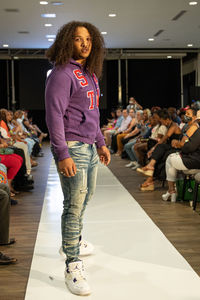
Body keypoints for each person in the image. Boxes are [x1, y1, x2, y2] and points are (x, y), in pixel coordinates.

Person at [45, 21, 110, 296]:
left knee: (84, 198)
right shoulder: (61, 73)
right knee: (74, 204)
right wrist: (62, 154)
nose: (84, 43)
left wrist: (101, 142)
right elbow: (54, 116)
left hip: (89, 147)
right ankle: (72, 263)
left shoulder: (90, 74)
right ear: (66, 42)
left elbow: (93, 113)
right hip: (72, 147)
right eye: (78, 39)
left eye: (88, 39)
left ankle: (72, 241)